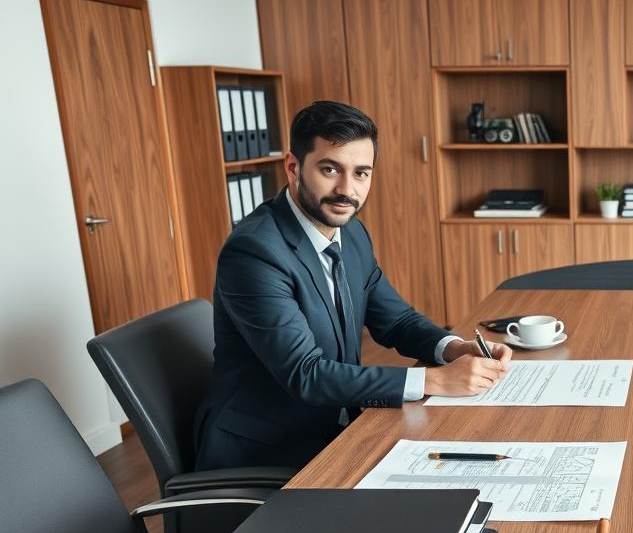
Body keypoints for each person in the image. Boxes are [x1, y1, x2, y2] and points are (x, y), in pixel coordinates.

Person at [195, 101, 512, 470]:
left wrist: (454, 348)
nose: (347, 190)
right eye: (330, 169)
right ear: (293, 167)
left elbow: (396, 321)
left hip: (337, 430)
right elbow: (306, 374)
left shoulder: (352, 232)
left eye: (361, 173)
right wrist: (435, 380)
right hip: (267, 454)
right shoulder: (254, 252)